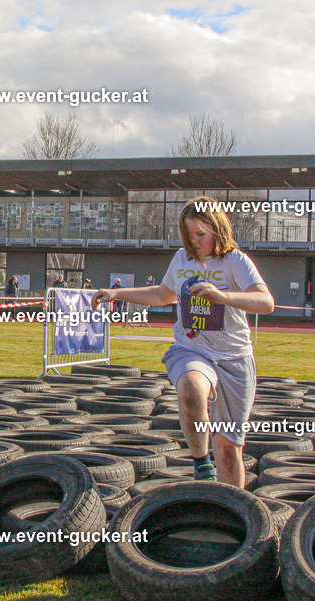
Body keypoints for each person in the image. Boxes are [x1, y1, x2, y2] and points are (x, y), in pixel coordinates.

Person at [92, 197, 274, 487]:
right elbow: (163, 295)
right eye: (190, 235)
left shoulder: (235, 261)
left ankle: (232, 510)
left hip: (234, 358)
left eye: (201, 235)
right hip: (191, 349)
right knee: (190, 386)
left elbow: (265, 302)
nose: (195, 242)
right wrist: (117, 294)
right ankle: (201, 464)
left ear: (217, 230)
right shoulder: (182, 259)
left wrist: (222, 296)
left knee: (228, 448)